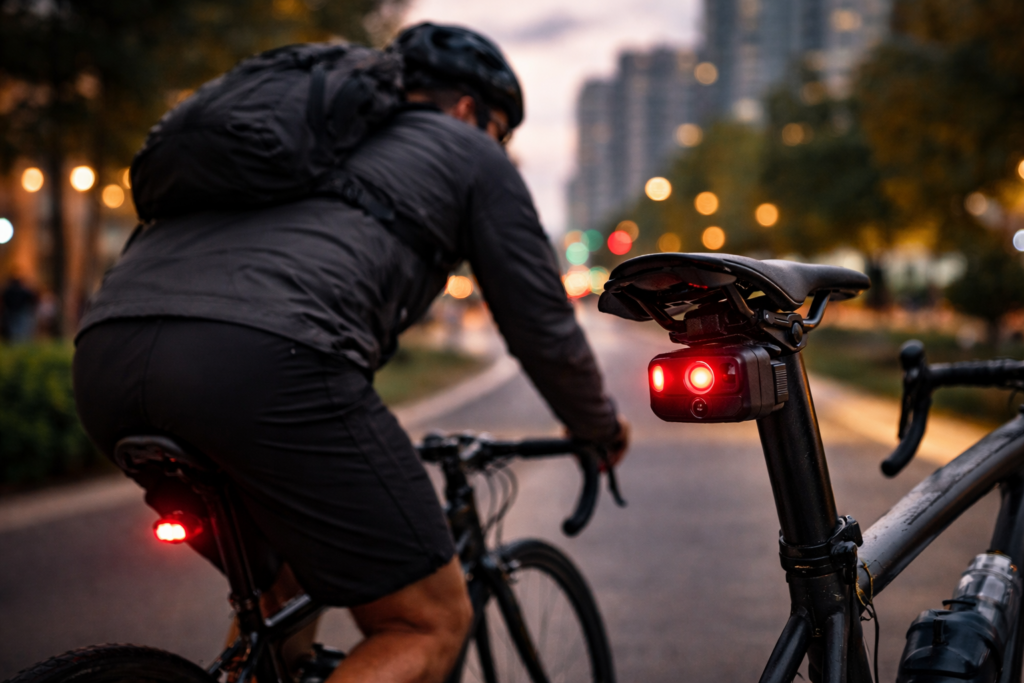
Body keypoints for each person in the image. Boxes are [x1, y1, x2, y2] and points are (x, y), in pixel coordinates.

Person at [72, 22, 628, 683]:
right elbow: (543, 324)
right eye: (500, 130)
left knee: (283, 590)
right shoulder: (468, 151)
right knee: (427, 619)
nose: (498, 146)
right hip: (261, 366)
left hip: (105, 354)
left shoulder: (305, 138)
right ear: (468, 109)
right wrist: (597, 426)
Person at [0, 272, 39, 343]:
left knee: (13, 326)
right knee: (21, 327)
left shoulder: (8, 290)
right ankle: (20, 341)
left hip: (11, 311)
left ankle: (14, 341)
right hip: (21, 311)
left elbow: (3, 300)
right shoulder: (24, 290)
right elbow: (32, 298)